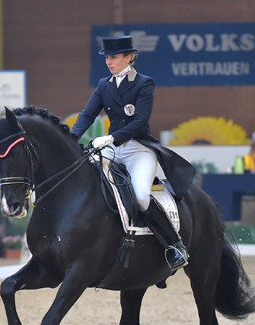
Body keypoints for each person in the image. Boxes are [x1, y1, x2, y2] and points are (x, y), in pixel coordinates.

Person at [70, 35, 195, 271]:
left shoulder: (144, 83)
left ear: (129, 57)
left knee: (140, 197)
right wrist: (70, 138)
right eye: (107, 57)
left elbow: (139, 122)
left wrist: (111, 137)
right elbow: (87, 115)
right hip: (112, 150)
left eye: (114, 57)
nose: (109, 61)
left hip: (138, 149)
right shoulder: (103, 85)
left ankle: (174, 245)